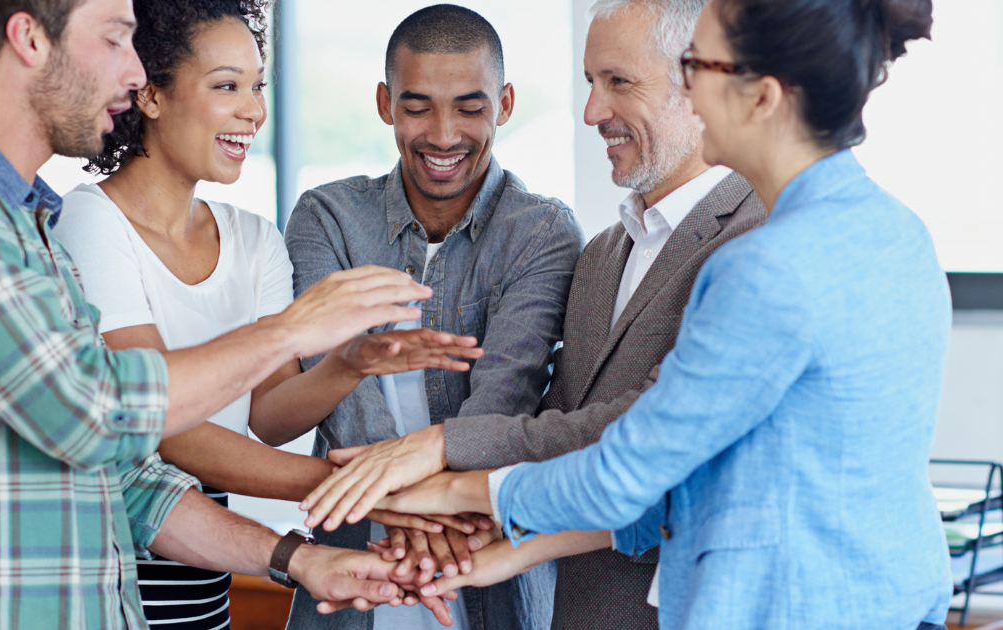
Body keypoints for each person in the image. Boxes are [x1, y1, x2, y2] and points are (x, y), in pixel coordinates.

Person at [305, 0, 955, 628]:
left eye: (699, 68)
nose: (692, 92)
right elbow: (696, 478)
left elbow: (628, 470)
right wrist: (515, 549)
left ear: (763, 98)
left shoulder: (768, 264)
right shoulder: (896, 232)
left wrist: (444, 490)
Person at [0, 0, 440, 627]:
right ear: (28, 38)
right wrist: (291, 330)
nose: (134, 73)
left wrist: (298, 559)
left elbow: (128, 476)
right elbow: (95, 411)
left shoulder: (25, 227)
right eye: (117, 40)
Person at [51, 1, 487, 627]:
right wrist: (363, 488)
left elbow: (272, 417)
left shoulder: (252, 238)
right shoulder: (92, 222)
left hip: (208, 577)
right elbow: (158, 423)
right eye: (227, 85)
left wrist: (348, 364)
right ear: (148, 93)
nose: (255, 110)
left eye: (257, 86)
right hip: (117, 574)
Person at [285, 5, 585, 630]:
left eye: (470, 107)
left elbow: (504, 399)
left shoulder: (543, 231)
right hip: (353, 564)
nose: (444, 134)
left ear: (503, 104)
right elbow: (339, 392)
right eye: (417, 106)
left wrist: (429, 509)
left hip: (487, 573)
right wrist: (418, 513)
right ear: (384, 102)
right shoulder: (327, 217)